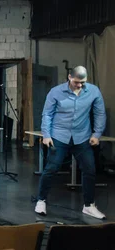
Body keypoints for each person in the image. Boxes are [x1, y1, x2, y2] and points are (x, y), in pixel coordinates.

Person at [34, 66, 106, 219]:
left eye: (83, 82)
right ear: (69, 77)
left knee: (90, 169)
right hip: (59, 135)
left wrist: (97, 134)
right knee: (51, 168)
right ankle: (41, 200)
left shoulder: (93, 91)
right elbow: (47, 114)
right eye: (76, 82)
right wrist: (46, 135)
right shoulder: (56, 92)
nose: (80, 85)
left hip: (82, 136)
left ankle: (89, 205)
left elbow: (100, 113)